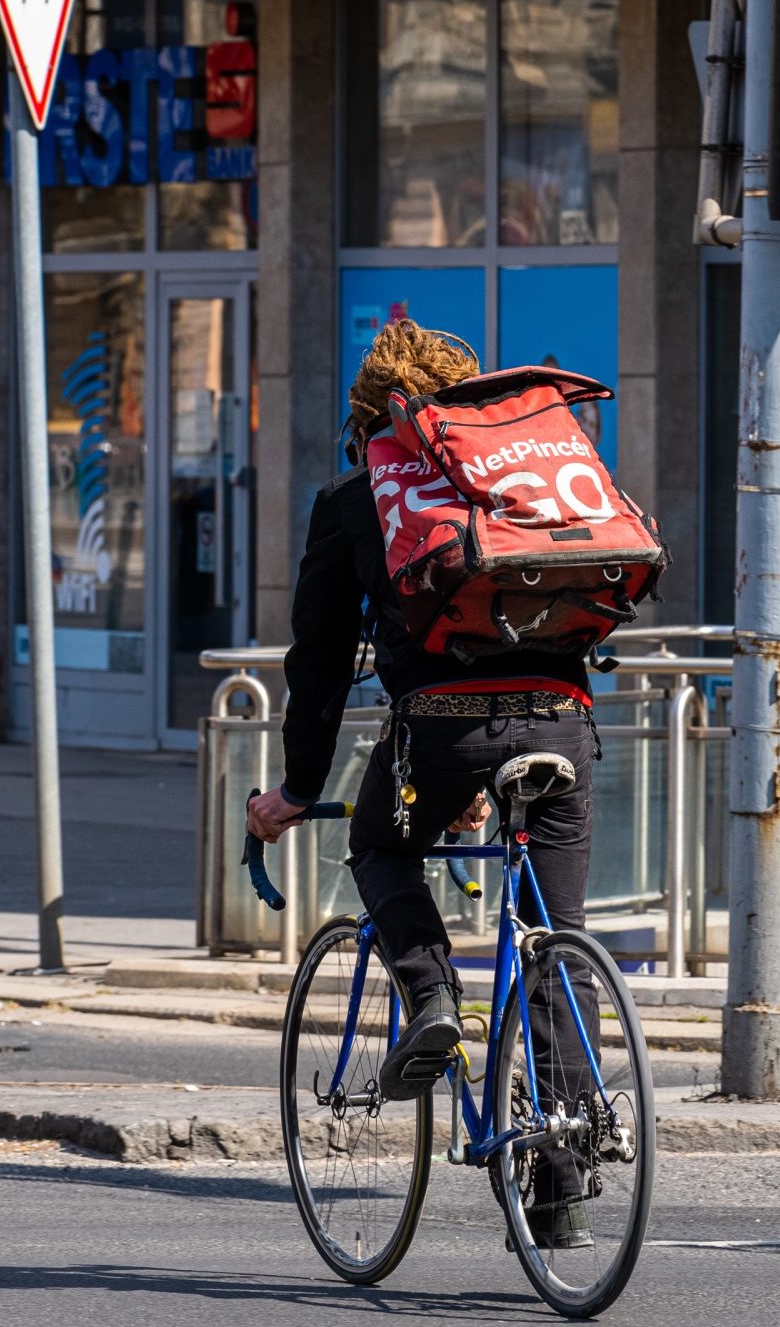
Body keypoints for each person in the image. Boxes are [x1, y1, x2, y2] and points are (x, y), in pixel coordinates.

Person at [243, 319, 600, 1245]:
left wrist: (292, 787)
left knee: (377, 846)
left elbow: (318, 664)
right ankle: (564, 1185)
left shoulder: (358, 495)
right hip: (564, 723)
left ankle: (432, 995)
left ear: (371, 419)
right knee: (558, 941)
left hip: (439, 735)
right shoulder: (517, 478)